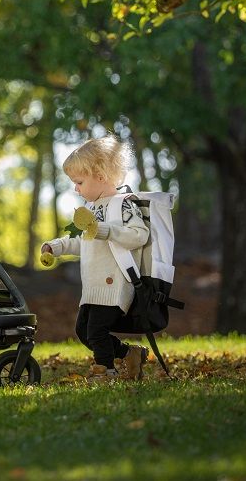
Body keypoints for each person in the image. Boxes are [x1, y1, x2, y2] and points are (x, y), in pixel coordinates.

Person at [41, 135, 150, 382]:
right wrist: (56, 246)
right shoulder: (90, 209)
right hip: (92, 286)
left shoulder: (123, 205)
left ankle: (105, 371)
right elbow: (85, 242)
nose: (75, 188)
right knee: (83, 331)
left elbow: (139, 235)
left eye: (79, 182)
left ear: (100, 176)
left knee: (96, 330)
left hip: (115, 283)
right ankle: (129, 353)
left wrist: (105, 230)